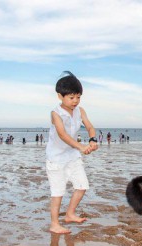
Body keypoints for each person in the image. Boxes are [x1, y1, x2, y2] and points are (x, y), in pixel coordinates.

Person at [45, 71, 98, 234]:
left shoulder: (80, 110)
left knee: (82, 185)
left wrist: (92, 140)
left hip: (72, 156)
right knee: (58, 191)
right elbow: (62, 135)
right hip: (56, 158)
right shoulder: (55, 113)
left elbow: (89, 126)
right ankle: (54, 224)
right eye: (71, 97)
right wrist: (81, 147)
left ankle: (69, 214)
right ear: (60, 96)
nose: (75, 101)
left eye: (78, 97)